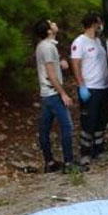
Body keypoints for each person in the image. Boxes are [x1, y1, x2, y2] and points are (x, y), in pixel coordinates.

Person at [34, 18, 75, 173]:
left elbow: (49, 67)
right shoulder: (47, 47)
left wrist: (61, 63)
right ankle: (69, 163)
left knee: (44, 129)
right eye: (51, 23)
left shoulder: (44, 46)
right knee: (67, 127)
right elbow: (51, 74)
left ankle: (49, 161)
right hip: (53, 93)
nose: (55, 24)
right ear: (48, 31)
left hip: (46, 94)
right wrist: (63, 93)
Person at [70, 12, 108, 167]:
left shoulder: (98, 41)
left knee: (101, 120)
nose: (100, 26)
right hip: (90, 88)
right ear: (94, 24)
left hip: (103, 87)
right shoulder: (80, 42)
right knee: (88, 121)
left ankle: (99, 149)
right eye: (99, 23)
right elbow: (76, 64)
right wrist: (81, 85)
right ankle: (85, 152)